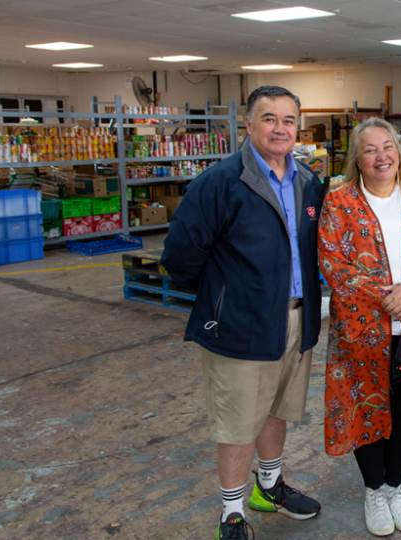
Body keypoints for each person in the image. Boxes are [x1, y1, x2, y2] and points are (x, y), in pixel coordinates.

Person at [161, 85, 325, 540]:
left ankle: (268, 487)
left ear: (298, 127)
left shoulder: (309, 182)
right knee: (238, 421)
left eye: (288, 120)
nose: (279, 128)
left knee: (277, 409)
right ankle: (231, 512)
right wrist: (223, 299)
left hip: (296, 317)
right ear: (248, 124)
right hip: (240, 323)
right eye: (269, 118)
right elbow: (180, 259)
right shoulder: (220, 181)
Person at [318, 117, 401, 537]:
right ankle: (373, 489)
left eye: (388, 147)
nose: (382, 156)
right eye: (371, 149)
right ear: (356, 158)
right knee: (366, 408)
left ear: (399, 153)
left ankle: (396, 486)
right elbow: (333, 263)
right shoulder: (340, 202)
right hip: (363, 332)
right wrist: (390, 300)